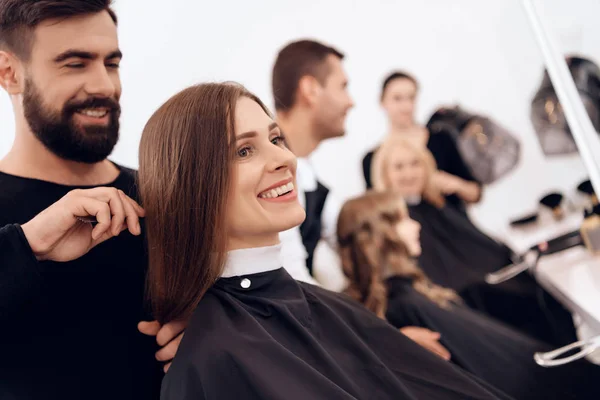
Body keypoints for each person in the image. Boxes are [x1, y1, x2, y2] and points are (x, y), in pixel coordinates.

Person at [138, 82, 511, 400]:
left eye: (275, 138)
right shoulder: (212, 357)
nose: (285, 158)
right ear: (192, 187)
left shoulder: (323, 307)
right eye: (244, 151)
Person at [0, 1, 181, 398]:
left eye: (111, 63)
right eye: (75, 63)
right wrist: (27, 245)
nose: (104, 85)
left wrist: (211, 329)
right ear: (9, 73)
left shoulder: (165, 195)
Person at [338, 190, 600, 400]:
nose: (416, 225)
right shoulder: (405, 306)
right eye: (404, 219)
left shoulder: (404, 297)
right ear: (382, 235)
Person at [371, 136, 579, 347]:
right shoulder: (395, 223)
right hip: (470, 300)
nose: (409, 173)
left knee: (545, 292)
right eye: (399, 167)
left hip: (489, 280)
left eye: (415, 164)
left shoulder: (435, 203)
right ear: (385, 174)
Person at [271, 39, 353, 286]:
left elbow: (347, 237)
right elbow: (292, 280)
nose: (351, 102)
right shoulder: (274, 175)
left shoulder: (308, 178)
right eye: (343, 87)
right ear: (310, 89)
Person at [362, 71, 481, 214]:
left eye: (411, 98)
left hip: (454, 227)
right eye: (397, 98)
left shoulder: (441, 139)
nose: (406, 106)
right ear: (382, 101)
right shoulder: (372, 160)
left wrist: (455, 185)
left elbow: (476, 193)